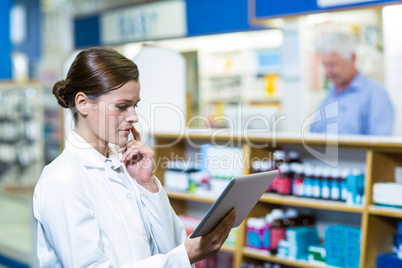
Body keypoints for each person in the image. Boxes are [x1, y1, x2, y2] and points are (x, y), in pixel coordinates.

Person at [33, 47, 237, 267]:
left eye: (135, 105)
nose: (134, 117)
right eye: (122, 106)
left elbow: (171, 246)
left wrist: (147, 184)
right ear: (83, 103)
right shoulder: (62, 180)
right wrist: (184, 256)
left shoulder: (127, 168)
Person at [309, 31, 394, 135]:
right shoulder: (330, 96)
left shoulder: (375, 95)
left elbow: (380, 144)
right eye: (325, 65)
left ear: (352, 58)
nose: (328, 71)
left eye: (333, 64)